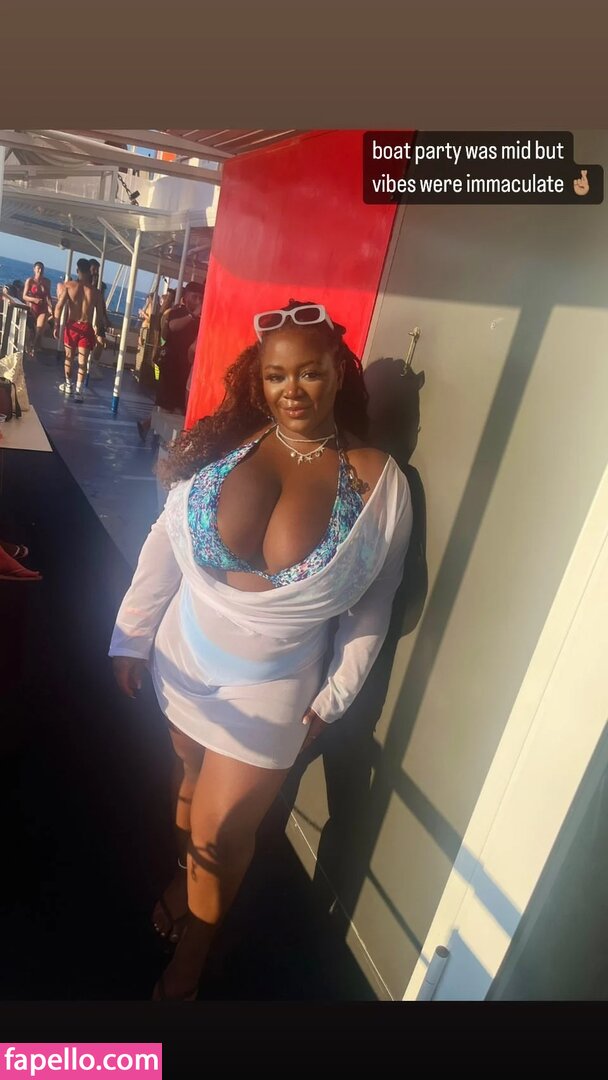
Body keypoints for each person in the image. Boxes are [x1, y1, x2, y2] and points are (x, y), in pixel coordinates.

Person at [109, 299, 412, 1000]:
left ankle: (190, 965)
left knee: (220, 832)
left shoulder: (378, 481)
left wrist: (337, 694)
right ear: (260, 379)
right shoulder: (230, 445)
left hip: (274, 683)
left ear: (339, 371)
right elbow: (167, 538)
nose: (292, 390)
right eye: (277, 376)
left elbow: (376, 600)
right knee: (187, 785)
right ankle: (183, 880)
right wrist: (131, 634)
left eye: (310, 373)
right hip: (185, 655)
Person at [136, 285, 197, 444]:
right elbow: (171, 327)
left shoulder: (199, 318)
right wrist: (192, 315)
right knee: (167, 404)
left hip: (184, 368)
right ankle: (159, 436)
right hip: (169, 365)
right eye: (194, 297)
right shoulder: (176, 312)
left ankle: (148, 426)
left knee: (170, 404)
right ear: (185, 297)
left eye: (200, 298)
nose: (198, 301)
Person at [53, 259, 104, 401]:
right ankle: (79, 391)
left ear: (78, 271)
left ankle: (68, 385)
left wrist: (56, 325)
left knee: (68, 358)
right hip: (86, 327)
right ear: (90, 271)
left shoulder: (69, 286)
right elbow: (100, 315)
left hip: (72, 326)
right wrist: (98, 328)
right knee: (83, 360)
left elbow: (59, 307)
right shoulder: (96, 292)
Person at [87, 259, 112, 379]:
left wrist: (105, 318)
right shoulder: (84, 283)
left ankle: (94, 364)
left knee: (101, 341)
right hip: (87, 315)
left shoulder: (101, 285)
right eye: (93, 269)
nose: (96, 272)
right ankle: (84, 363)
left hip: (98, 316)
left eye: (97, 270)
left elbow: (102, 303)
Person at [22, 262, 54, 356]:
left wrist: (51, 307)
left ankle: (33, 348)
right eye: (38, 268)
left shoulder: (47, 282)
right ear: (34, 269)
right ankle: (32, 347)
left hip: (42, 309)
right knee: (32, 330)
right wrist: (34, 300)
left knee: (39, 330)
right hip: (32, 308)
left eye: (42, 269)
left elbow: (48, 296)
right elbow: (24, 296)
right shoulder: (30, 281)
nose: (40, 270)